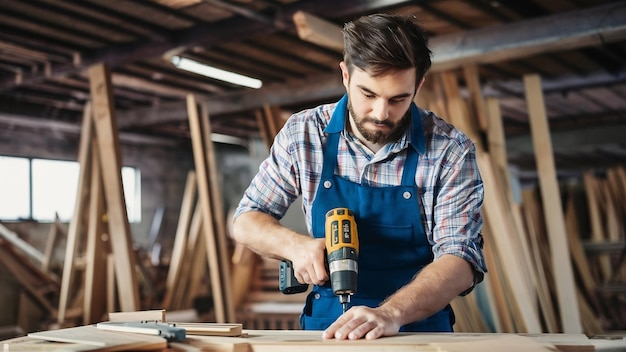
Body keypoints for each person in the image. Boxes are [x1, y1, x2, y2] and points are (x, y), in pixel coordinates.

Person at [231, 13, 486, 340]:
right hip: (327, 328)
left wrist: (390, 314)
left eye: (398, 99)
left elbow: (461, 258)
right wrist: (294, 246)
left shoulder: (450, 151)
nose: (381, 114)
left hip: (416, 330)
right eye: (368, 94)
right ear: (346, 75)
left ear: (418, 85)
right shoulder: (304, 134)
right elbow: (246, 220)